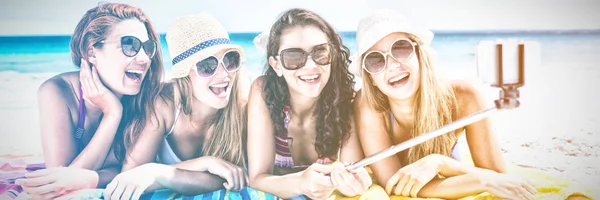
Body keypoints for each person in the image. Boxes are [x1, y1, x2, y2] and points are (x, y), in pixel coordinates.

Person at [352, 9, 538, 199]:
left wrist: (440, 163)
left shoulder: (465, 97)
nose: (392, 65)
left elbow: (499, 179)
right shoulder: (368, 105)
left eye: (400, 48)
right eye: (375, 60)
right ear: (371, 79)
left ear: (419, 54)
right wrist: (481, 180)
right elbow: (393, 183)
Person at [14, 2, 164, 199]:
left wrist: (91, 177)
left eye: (147, 47)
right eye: (130, 45)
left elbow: (125, 170)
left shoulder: (147, 98)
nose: (145, 58)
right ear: (92, 52)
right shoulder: (57, 92)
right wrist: (112, 114)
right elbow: (60, 180)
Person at [102, 13, 249, 200]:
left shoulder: (242, 102)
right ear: (184, 74)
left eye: (230, 60)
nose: (224, 74)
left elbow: (229, 180)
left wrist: (158, 173)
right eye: (207, 65)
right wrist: (204, 163)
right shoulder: (164, 104)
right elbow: (130, 176)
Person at [247, 8, 373, 199]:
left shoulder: (347, 101)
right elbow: (257, 178)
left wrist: (354, 185)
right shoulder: (263, 92)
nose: (311, 65)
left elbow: (351, 172)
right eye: (293, 57)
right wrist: (301, 183)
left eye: (320, 52)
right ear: (276, 66)